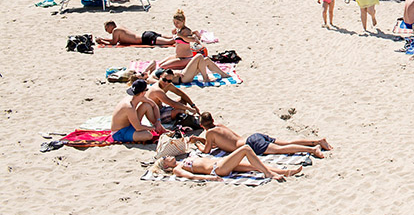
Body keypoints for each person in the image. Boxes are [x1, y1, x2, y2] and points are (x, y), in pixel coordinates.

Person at [191, 112, 331, 158]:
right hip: (253, 137)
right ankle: (317, 141)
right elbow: (226, 139)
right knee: (286, 142)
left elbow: (207, 150)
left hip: (251, 145)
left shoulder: (209, 133)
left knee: (281, 149)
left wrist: (197, 144)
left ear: (202, 126)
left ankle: (313, 149)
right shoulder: (219, 126)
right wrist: (200, 139)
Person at [153, 147, 302, 182]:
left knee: (254, 165)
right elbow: (191, 177)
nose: (168, 156)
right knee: (246, 149)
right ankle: (269, 173)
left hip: (220, 164)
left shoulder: (182, 160)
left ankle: (286, 172)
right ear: (165, 166)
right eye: (165, 158)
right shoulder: (178, 169)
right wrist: (211, 178)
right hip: (217, 169)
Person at [110, 79, 158, 143]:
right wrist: (152, 128)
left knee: (147, 105)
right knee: (148, 135)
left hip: (130, 124)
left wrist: (158, 122)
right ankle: (156, 128)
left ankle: (157, 126)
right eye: (146, 90)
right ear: (142, 92)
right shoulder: (129, 106)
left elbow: (154, 105)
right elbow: (138, 127)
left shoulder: (137, 97)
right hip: (119, 132)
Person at [96, 21, 165, 47]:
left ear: (110, 26)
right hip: (145, 35)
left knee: (170, 41)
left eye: (106, 29)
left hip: (145, 39)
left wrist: (102, 42)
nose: (106, 31)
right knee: (169, 38)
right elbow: (114, 40)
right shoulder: (119, 27)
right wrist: (102, 39)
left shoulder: (115, 30)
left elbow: (114, 42)